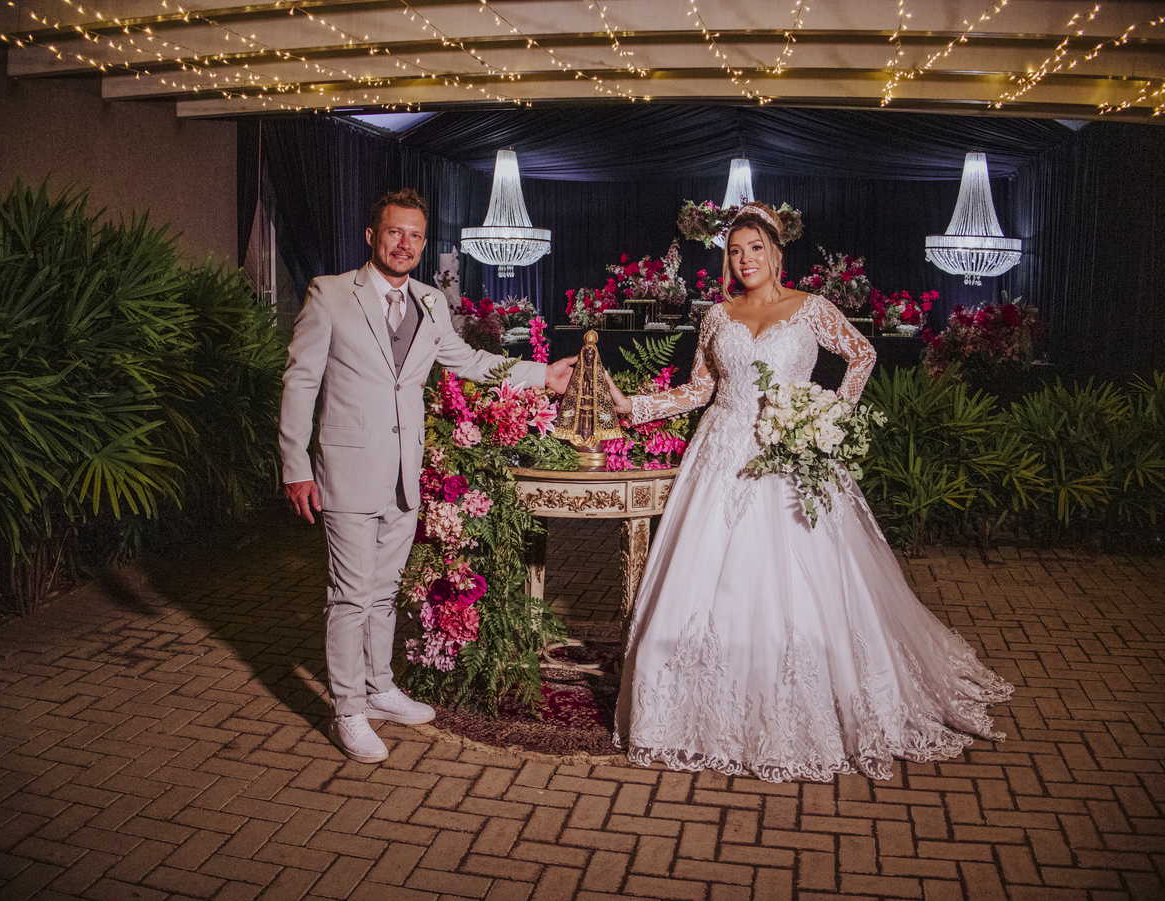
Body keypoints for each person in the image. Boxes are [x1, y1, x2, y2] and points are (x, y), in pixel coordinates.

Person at [606, 202, 1013, 782]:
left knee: (802, 581)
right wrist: (632, 405)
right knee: (703, 578)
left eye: (755, 248)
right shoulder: (717, 316)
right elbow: (699, 390)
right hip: (721, 454)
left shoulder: (811, 308)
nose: (745, 259)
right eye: (735, 251)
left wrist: (826, 416)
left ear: (776, 253)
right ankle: (684, 715)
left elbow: (863, 354)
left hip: (789, 455)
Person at [279, 189, 575, 764]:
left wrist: (543, 375)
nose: (405, 244)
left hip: (403, 474)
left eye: (415, 235)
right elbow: (300, 383)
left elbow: (470, 362)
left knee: (385, 592)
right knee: (350, 596)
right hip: (347, 469)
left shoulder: (432, 302)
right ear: (372, 235)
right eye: (395, 232)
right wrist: (295, 466)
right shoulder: (331, 294)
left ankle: (379, 687)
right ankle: (348, 709)